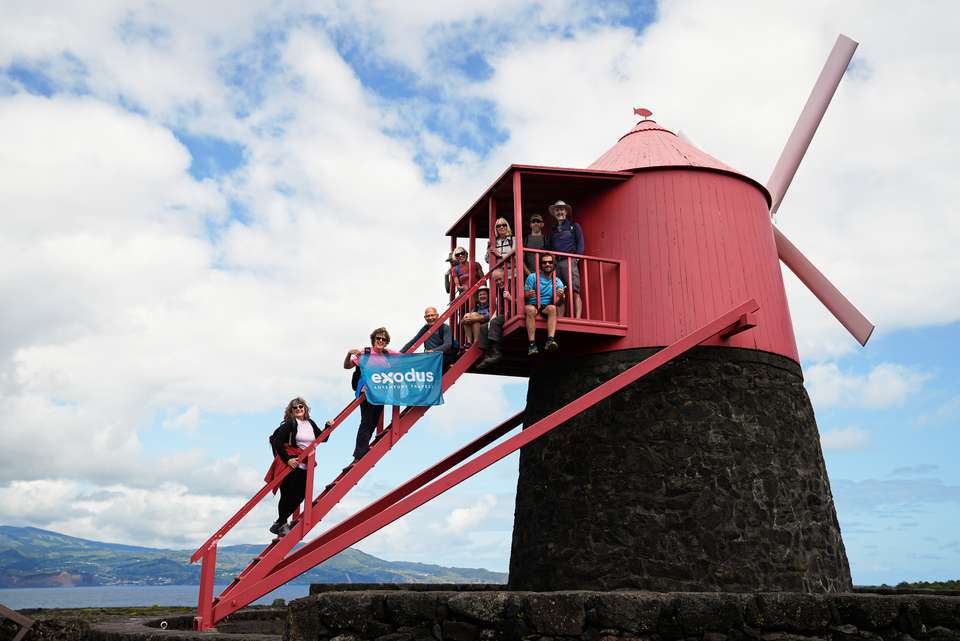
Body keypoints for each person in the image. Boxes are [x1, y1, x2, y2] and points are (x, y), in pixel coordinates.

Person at [267, 397, 323, 536]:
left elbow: (323, 437)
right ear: (291, 411)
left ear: (305, 408)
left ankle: (279, 522)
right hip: (292, 464)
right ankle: (282, 523)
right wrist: (287, 460)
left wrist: (329, 426)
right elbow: (278, 443)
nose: (298, 409)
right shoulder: (290, 423)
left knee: (300, 495)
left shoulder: (310, 423)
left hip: (305, 464)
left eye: (301, 407)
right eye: (295, 407)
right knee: (287, 495)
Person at [343, 327, 398, 462]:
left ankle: (363, 449)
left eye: (383, 339)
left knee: (373, 421)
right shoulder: (365, 353)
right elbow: (347, 366)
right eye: (378, 338)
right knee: (366, 421)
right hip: (366, 392)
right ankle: (359, 454)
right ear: (373, 339)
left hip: (380, 392)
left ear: (386, 342)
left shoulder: (388, 354)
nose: (380, 341)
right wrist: (349, 353)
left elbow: (406, 358)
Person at [547, 200, 584, 318]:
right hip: (557, 263)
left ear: (566, 211)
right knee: (560, 292)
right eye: (557, 210)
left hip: (570, 261)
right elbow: (550, 248)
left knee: (574, 290)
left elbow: (581, 244)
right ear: (554, 213)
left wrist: (577, 258)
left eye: (562, 209)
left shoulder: (574, 226)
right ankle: (561, 318)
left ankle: (577, 319)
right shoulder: (553, 230)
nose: (560, 212)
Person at [524, 253, 564, 355]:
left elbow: (557, 303)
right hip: (533, 304)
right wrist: (527, 295)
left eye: (550, 262)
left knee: (553, 308)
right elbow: (524, 296)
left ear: (553, 265)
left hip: (546, 307)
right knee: (530, 309)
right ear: (540, 265)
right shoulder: (532, 277)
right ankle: (532, 344)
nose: (547, 264)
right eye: (544, 262)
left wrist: (560, 297)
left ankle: (550, 340)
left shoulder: (557, 281)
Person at [402, 306, 456, 371]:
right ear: (424, 317)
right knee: (414, 363)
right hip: (430, 356)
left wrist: (433, 351)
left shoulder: (444, 327)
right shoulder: (425, 328)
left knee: (428, 366)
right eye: (427, 316)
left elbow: (448, 344)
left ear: (437, 315)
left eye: (432, 315)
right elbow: (413, 341)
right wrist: (399, 354)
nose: (430, 318)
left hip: (443, 356)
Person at [477, 271, 512, 368]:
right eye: (496, 280)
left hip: (513, 313)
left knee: (495, 322)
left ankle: (497, 353)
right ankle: (487, 355)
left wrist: (510, 298)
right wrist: (492, 318)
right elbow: (499, 308)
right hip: (503, 313)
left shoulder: (513, 285)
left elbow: (522, 303)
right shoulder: (499, 290)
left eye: (500, 279)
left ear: (505, 277)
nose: (499, 282)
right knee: (484, 327)